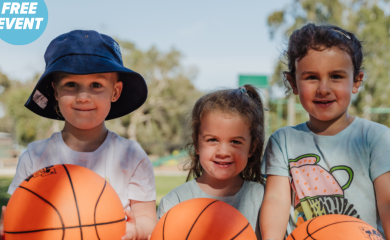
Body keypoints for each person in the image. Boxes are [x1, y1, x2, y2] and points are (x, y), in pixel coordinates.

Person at [0, 30, 157, 240]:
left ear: (115, 92)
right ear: (55, 91)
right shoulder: (35, 156)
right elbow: (18, 218)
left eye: (96, 85)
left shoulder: (131, 155)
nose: (83, 97)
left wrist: (136, 230)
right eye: (71, 84)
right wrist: (7, 233)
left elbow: (148, 219)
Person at [260, 23, 390, 240]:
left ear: (356, 82)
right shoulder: (283, 141)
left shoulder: (376, 137)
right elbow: (276, 201)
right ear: (293, 83)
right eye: (311, 77)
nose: (323, 89)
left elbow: (387, 203)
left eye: (336, 76)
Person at [157, 85, 266, 239]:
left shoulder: (262, 198)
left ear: (252, 147)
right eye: (212, 140)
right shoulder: (176, 201)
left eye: (235, 142)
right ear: (196, 144)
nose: (223, 152)